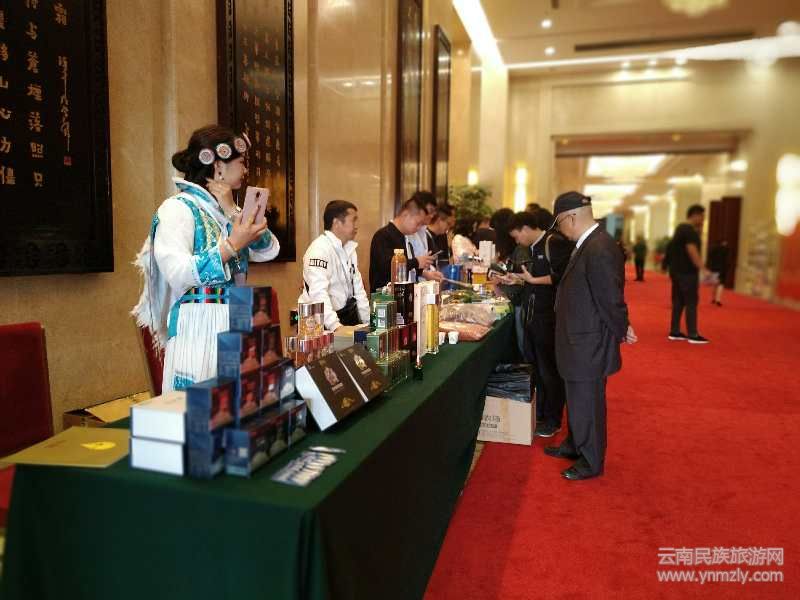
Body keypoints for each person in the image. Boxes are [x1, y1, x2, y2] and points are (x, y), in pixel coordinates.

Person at [132, 125, 280, 392]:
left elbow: (269, 249)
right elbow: (178, 272)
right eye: (241, 162)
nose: (245, 169)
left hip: (234, 317)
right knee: (199, 404)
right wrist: (230, 246)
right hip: (197, 324)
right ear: (218, 166)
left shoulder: (227, 211)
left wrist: (231, 209)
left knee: (236, 402)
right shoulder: (178, 208)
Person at [544, 191, 637, 480]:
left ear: (571, 217)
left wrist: (622, 328)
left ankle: (590, 459)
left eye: (559, 223)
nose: (560, 230)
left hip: (588, 342)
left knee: (588, 401)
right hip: (578, 339)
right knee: (576, 397)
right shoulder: (589, 244)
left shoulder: (599, 247)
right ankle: (575, 444)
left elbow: (610, 297)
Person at [506, 209, 574, 438]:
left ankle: (553, 419)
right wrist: (517, 279)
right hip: (533, 317)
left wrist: (533, 280)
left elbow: (564, 276)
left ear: (525, 229)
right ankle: (542, 413)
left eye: (517, 236)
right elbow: (534, 279)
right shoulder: (535, 247)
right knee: (537, 368)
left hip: (548, 319)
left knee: (550, 370)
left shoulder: (553, 242)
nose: (517, 241)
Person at [297, 200, 370, 330]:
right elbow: (318, 295)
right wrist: (335, 326)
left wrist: (369, 323)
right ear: (336, 223)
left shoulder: (349, 249)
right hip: (318, 325)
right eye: (353, 220)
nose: (356, 226)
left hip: (344, 318)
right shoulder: (319, 250)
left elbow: (359, 291)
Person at [369, 196, 435, 291]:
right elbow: (387, 267)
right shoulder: (383, 235)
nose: (418, 228)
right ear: (405, 215)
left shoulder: (405, 237)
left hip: (403, 293)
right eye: (418, 223)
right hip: (385, 296)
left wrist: (422, 270)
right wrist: (416, 262)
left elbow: (406, 270)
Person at [667, 204, 710, 344]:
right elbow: (692, 251)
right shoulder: (690, 231)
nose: (703, 219)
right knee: (691, 302)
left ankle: (674, 331)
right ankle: (693, 334)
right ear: (695, 215)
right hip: (687, 272)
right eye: (702, 216)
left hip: (676, 271)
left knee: (678, 301)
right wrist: (703, 268)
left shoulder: (680, 229)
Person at [707, 240, 730, 306]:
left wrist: (709, 268)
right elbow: (727, 260)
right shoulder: (726, 250)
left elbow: (710, 259)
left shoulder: (713, 249)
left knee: (715, 283)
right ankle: (718, 300)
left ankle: (713, 298)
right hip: (722, 269)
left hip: (714, 268)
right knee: (721, 284)